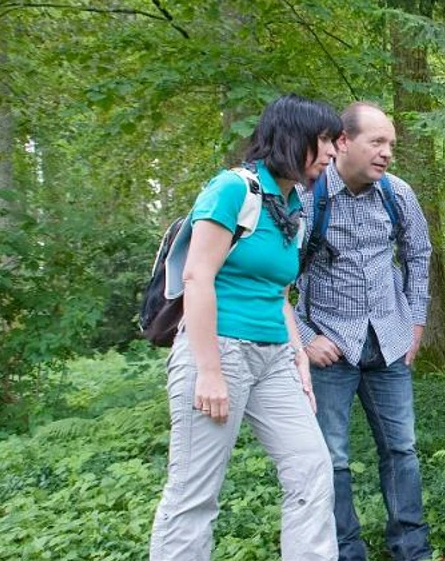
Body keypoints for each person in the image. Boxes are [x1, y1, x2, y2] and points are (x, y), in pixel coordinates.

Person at [149, 94, 342, 561]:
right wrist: (209, 371)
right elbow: (197, 277)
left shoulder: (295, 203)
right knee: (195, 492)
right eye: (325, 141)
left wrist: (298, 358)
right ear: (294, 137)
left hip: (274, 356)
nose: (333, 153)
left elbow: (278, 295)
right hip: (218, 349)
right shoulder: (233, 189)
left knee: (312, 469)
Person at [295, 101, 433, 561]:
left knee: (402, 451)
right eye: (376, 142)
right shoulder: (306, 198)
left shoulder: (398, 194)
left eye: (391, 144)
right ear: (341, 143)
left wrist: (415, 322)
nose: (387, 153)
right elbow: (273, 276)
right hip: (329, 346)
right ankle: (346, 552)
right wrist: (304, 338)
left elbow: (418, 255)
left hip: (390, 344)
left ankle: (411, 552)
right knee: (331, 459)